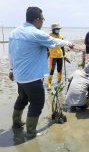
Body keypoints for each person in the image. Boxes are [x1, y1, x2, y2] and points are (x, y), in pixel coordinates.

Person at [8, 7, 74, 138]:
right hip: (32, 77)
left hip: (19, 76)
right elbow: (54, 42)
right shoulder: (36, 33)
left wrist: (11, 70)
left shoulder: (14, 32)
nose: (43, 22)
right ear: (37, 19)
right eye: (43, 19)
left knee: (22, 98)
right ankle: (31, 132)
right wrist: (69, 43)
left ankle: (16, 123)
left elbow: (10, 53)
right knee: (38, 102)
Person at [47, 24, 66, 89]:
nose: (58, 30)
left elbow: (62, 47)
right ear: (53, 29)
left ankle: (59, 81)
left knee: (59, 69)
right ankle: (49, 83)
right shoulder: (49, 36)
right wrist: (47, 54)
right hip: (52, 56)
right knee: (51, 70)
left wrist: (64, 55)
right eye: (56, 29)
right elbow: (47, 46)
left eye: (59, 29)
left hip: (60, 55)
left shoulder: (61, 36)